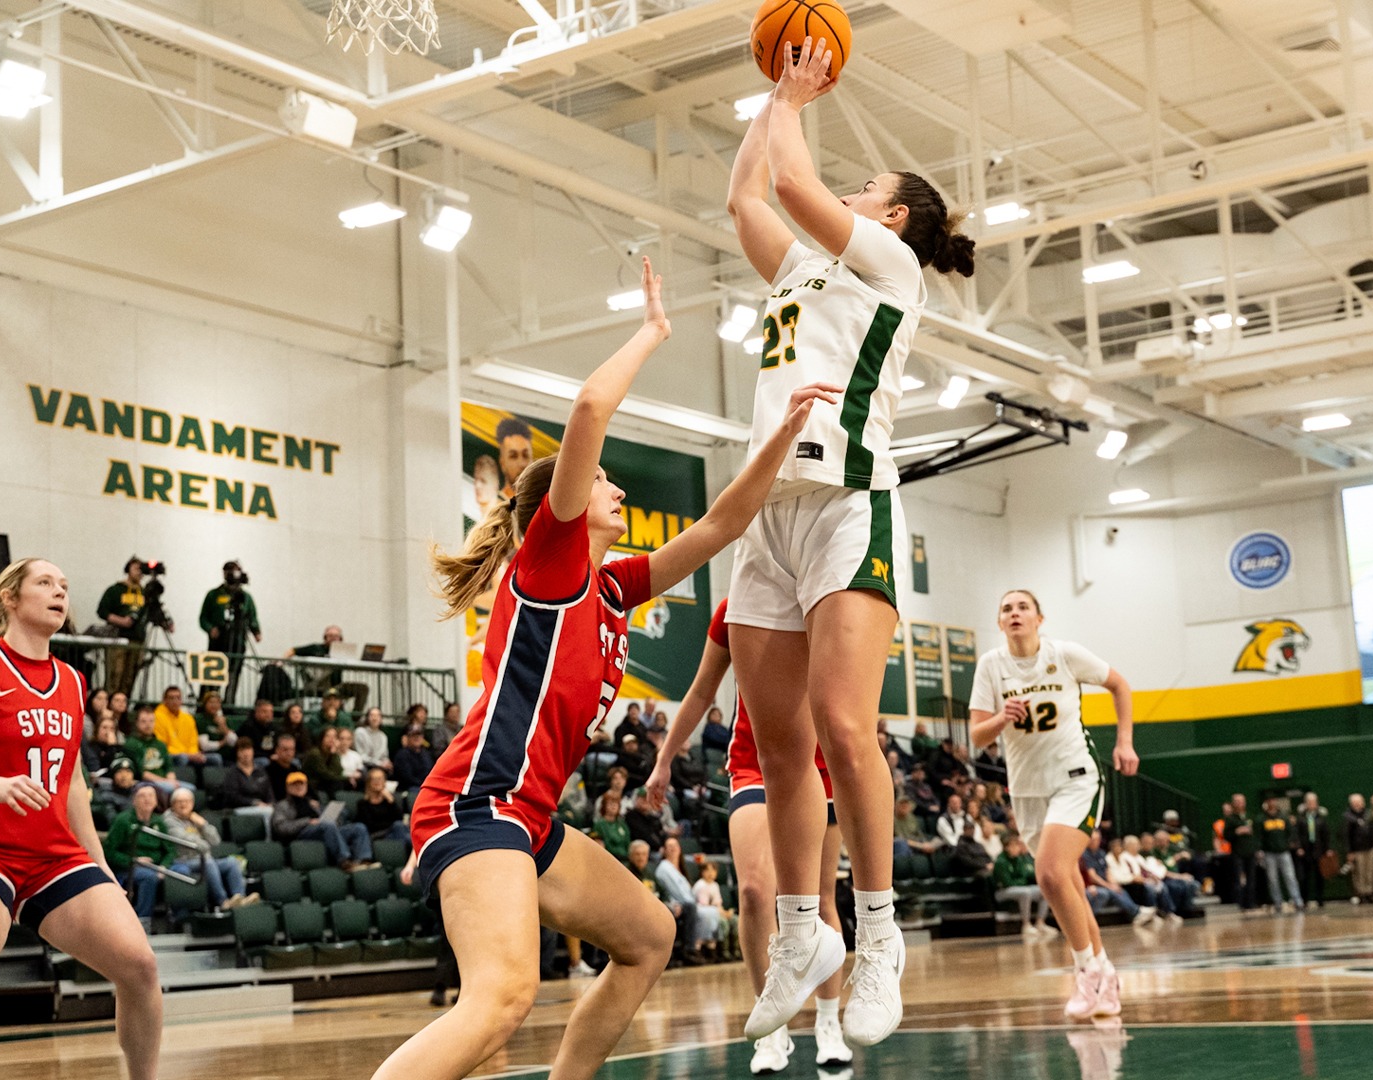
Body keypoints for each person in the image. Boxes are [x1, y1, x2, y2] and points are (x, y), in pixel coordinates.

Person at [377, 257, 836, 1080]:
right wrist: (654, 330)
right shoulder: (550, 564)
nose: (618, 495)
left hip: (531, 818)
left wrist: (783, 436)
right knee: (504, 996)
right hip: (475, 806)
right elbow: (591, 405)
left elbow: (724, 525)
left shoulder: (613, 587)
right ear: (567, 499)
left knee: (650, 935)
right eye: (607, 486)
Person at [725, 35, 977, 1052]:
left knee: (842, 724)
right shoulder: (805, 273)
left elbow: (789, 176)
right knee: (780, 746)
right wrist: (768, 101)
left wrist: (794, 96)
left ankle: (878, 942)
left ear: (895, 215)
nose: (851, 194)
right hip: (768, 512)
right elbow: (750, 197)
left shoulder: (889, 264)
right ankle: (802, 937)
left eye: (865, 187)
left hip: (847, 502)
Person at [0, 557, 164, 1080]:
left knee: (139, 968)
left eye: (65, 585)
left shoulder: (71, 680)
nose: (60, 591)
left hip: (54, 856)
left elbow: (74, 783)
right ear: (10, 599)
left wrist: (98, 859)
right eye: (45, 583)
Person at [643, 595, 853, 1072]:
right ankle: (772, 1027)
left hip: (821, 768)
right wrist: (664, 759)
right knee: (757, 892)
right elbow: (700, 692)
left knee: (822, 899)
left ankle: (828, 1023)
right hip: (754, 764)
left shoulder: (830, 598)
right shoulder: (734, 606)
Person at [968, 589, 1137, 1020]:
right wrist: (1001, 718)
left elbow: (1120, 684)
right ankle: (1106, 975)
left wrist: (1124, 742)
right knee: (1069, 889)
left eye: (1023, 607)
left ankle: (1086, 972)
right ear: (1000, 621)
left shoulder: (1064, 654)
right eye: (1006, 608)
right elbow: (976, 737)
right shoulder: (991, 665)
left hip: (1075, 778)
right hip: (1027, 790)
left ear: (1039, 618)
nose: (1015, 613)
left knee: (1050, 873)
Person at [162, 788, 254, 911]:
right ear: (172, 805)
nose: (183, 804)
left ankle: (240, 899)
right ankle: (222, 901)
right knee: (208, 862)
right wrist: (204, 844)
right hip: (181, 861)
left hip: (201, 858)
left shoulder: (194, 819)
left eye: (187, 801)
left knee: (232, 862)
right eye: (179, 802)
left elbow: (216, 840)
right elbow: (186, 840)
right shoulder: (168, 821)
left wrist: (203, 824)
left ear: (192, 804)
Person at [272, 772, 373, 871]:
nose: (299, 787)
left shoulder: (313, 803)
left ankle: (363, 861)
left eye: (301, 784)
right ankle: (345, 861)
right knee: (327, 825)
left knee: (358, 827)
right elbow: (281, 828)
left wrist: (333, 818)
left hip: (324, 830)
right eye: (295, 784)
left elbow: (326, 820)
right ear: (288, 787)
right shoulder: (282, 805)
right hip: (301, 835)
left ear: (306, 786)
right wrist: (307, 821)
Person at [96, 557, 163, 697]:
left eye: (141, 569)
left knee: (130, 677)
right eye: (136, 568)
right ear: (128, 570)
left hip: (138, 640)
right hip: (118, 638)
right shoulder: (116, 590)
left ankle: (123, 705)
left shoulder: (146, 593)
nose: (139, 572)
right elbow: (102, 611)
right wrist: (120, 620)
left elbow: (153, 614)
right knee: (116, 674)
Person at [103, 784, 171, 919]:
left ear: (156, 800)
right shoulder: (123, 820)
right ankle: (142, 919)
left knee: (181, 871)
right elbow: (108, 851)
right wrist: (133, 860)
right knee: (149, 877)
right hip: (127, 868)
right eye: (142, 796)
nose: (147, 799)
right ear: (133, 800)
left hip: (155, 866)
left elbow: (170, 850)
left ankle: (178, 917)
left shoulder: (159, 821)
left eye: (151, 796)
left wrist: (164, 866)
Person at [199, 561, 260, 700]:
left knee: (233, 674)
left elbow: (252, 616)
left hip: (238, 641)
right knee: (213, 675)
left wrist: (256, 631)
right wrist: (210, 629)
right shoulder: (213, 595)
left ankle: (229, 702)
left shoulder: (245, 597)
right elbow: (203, 618)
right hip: (218, 641)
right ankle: (209, 701)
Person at [121, 706, 185, 801]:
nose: (148, 725)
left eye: (151, 721)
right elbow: (142, 773)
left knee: (190, 789)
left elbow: (168, 767)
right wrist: (167, 782)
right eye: (144, 721)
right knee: (175, 791)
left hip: (165, 781)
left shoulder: (160, 744)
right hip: (144, 783)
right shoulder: (131, 744)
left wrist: (171, 781)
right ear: (137, 723)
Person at [993, 832, 1048, 935]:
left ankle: (1040, 923)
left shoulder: (1019, 859)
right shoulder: (1001, 861)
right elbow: (1007, 883)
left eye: (1017, 845)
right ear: (1006, 847)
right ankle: (1026, 925)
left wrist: (1020, 882)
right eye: (1013, 846)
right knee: (1025, 892)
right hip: (1001, 892)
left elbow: (1024, 877)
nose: (1017, 848)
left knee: (1044, 890)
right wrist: (1020, 882)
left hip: (1018, 887)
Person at [1257, 796, 1301, 914]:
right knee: (1273, 879)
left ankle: (1297, 901)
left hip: (1284, 852)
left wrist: (1289, 843)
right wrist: (1260, 850)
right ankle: (1278, 902)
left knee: (1290, 877)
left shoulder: (1283, 817)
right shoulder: (1261, 819)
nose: (1272, 803)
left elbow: (1291, 832)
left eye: (1274, 800)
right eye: (1270, 801)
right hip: (1269, 853)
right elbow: (1259, 836)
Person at [153, 685, 215, 768]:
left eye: (178, 698)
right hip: (170, 755)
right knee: (182, 758)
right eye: (171, 698)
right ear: (165, 700)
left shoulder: (188, 718)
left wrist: (194, 754)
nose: (175, 701)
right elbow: (161, 745)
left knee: (215, 758)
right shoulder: (157, 717)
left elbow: (193, 742)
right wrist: (187, 755)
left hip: (189, 754)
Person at [1292, 792, 1332, 909]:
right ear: (1305, 804)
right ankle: (1304, 900)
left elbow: (1326, 834)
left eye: (1314, 802)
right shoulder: (1301, 818)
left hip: (1318, 850)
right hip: (1305, 850)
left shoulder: (1321, 818)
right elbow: (1296, 834)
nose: (1312, 805)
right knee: (1304, 877)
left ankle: (1320, 899)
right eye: (1309, 802)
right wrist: (1299, 847)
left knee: (1319, 876)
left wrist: (1328, 848)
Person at [1223, 794, 1259, 913]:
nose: (1239, 803)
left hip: (1250, 852)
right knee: (1239, 879)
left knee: (1251, 879)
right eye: (1237, 801)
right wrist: (1237, 832)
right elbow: (1226, 836)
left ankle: (1251, 903)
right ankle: (1241, 904)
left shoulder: (1250, 816)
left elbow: (1257, 833)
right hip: (1238, 853)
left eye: (1241, 801)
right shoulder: (1230, 819)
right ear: (1233, 803)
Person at [215, 738, 272, 810]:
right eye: (242, 750)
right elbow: (233, 797)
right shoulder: (232, 773)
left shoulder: (261, 771)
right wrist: (254, 802)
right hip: (240, 808)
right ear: (237, 753)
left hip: (263, 807)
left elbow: (269, 793)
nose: (246, 753)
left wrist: (270, 803)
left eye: (248, 749)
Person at [355, 766, 408, 845]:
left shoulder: (389, 800)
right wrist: (391, 825)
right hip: (377, 836)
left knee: (399, 828)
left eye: (380, 779)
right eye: (374, 779)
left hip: (394, 833)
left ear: (384, 782)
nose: (377, 782)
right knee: (399, 828)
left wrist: (391, 801)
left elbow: (399, 818)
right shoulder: (363, 803)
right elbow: (371, 825)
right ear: (369, 783)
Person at [1344, 793, 1373, 904]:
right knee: (1360, 873)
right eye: (1355, 802)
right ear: (1351, 804)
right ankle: (1361, 894)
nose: (1357, 804)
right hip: (1357, 849)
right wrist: (1350, 851)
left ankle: (1370, 892)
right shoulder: (1348, 817)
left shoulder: (1369, 814)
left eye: (1359, 802)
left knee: (1370, 872)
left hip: (1371, 847)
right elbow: (1346, 836)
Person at [391, 725, 435, 792]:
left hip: (425, 787)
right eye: (413, 735)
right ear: (408, 737)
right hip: (408, 789)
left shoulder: (426, 754)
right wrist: (423, 785)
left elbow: (430, 772)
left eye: (419, 735)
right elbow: (407, 778)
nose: (417, 738)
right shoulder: (402, 755)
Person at [196, 690, 236, 757]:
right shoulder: (201, 720)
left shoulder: (224, 720)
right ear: (205, 704)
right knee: (217, 758)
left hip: (227, 756)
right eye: (211, 702)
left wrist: (224, 727)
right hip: (209, 755)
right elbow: (204, 745)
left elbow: (233, 742)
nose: (214, 705)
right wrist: (222, 743)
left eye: (217, 702)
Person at [265, 733, 301, 801]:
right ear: (277, 750)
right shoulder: (269, 771)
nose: (289, 753)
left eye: (292, 749)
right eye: (285, 749)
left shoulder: (295, 769)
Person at [355, 706, 392, 771]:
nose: (375, 718)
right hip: (364, 766)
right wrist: (379, 763)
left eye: (377, 716)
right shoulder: (360, 732)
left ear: (381, 719)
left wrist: (387, 762)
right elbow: (360, 756)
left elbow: (384, 756)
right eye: (372, 715)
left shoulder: (383, 736)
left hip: (379, 767)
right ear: (367, 718)